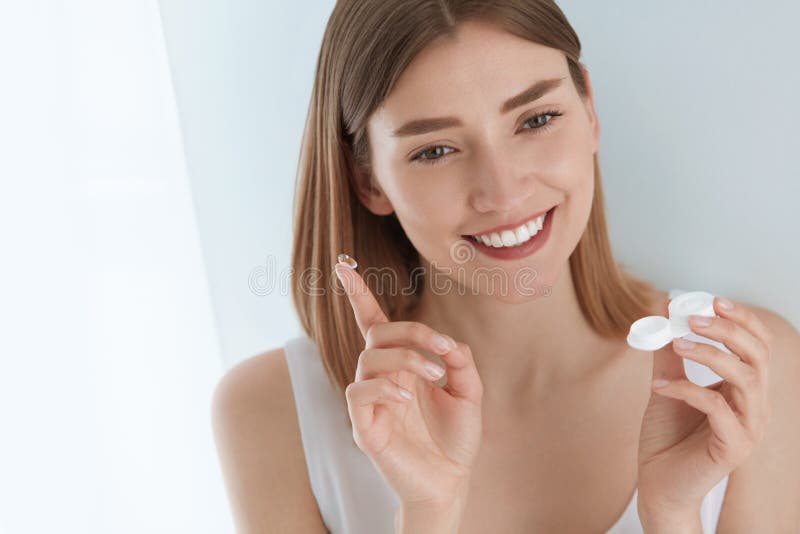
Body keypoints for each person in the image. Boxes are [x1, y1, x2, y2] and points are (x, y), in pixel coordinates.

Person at [211, 1, 800, 532]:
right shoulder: (273, 414)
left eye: (536, 119)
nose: (503, 191)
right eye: (435, 150)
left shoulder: (744, 371)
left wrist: (673, 517)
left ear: (588, 109)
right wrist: (429, 513)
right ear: (367, 179)